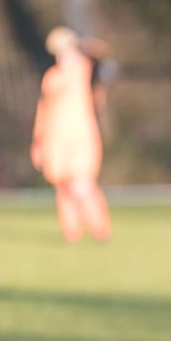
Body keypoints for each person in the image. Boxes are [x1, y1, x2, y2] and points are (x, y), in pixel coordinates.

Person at [30, 26, 111, 243]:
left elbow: (100, 54)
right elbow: (44, 109)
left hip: (80, 136)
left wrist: (82, 46)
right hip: (54, 138)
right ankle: (72, 234)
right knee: (63, 186)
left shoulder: (82, 69)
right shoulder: (52, 76)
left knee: (82, 184)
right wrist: (38, 142)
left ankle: (99, 230)